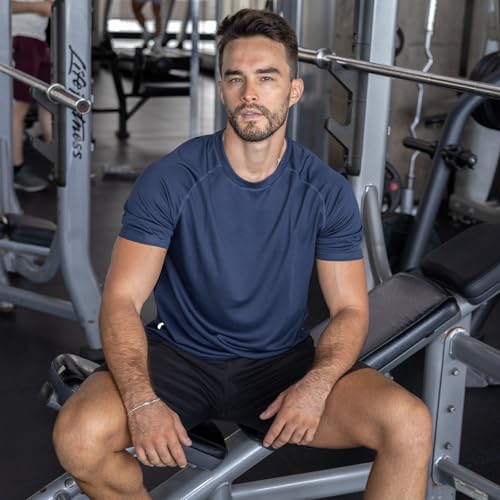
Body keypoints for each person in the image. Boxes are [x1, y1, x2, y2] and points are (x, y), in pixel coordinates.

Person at [52, 9, 432, 500]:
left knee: (409, 424)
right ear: (222, 89)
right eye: (236, 78)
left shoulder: (324, 190)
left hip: (281, 365)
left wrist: (316, 385)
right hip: (180, 358)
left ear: (293, 90)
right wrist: (142, 400)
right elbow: (122, 299)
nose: (250, 93)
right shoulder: (172, 179)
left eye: (267, 78)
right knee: (79, 439)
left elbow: (350, 309)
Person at [11, 0, 53, 192]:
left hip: (39, 40)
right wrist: (37, 7)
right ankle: (16, 168)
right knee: (19, 108)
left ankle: (60, 161)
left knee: (49, 102)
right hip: (19, 38)